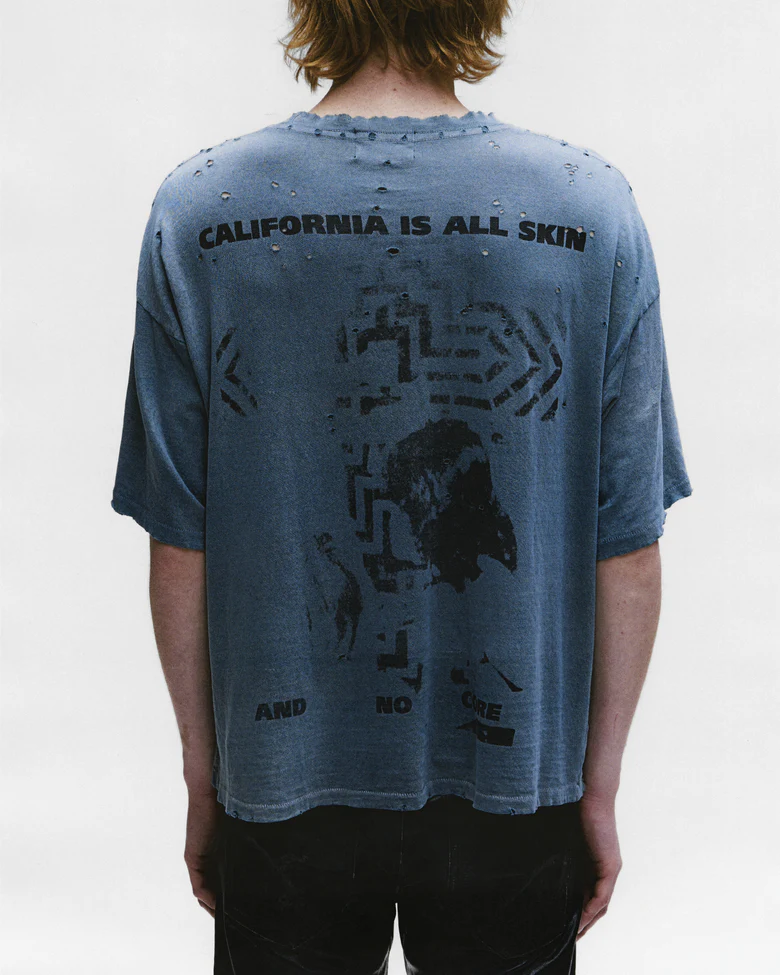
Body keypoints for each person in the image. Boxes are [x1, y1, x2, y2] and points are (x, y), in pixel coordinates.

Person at [110, 1, 693, 971]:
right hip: (512, 776)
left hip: (283, 779)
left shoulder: (203, 212)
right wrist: (598, 787)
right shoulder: (589, 211)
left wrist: (205, 777)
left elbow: (182, 537)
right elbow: (626, 540)